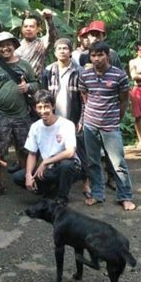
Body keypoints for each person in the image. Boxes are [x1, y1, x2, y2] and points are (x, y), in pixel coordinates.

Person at [78, 41, 136, 211]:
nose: (96, 59)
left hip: (111, 126)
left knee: (118, 163)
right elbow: (85, 95)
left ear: (107, 55)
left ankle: (125, 196)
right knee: (93, 162)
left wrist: (117, 117)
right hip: (90, 125)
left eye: (100, 55)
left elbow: (124, 99)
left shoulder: (119, 75)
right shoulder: (85, 75)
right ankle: (97, 194)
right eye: (93, 55)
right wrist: (89, 116)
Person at [0, 31, 39, 193]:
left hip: (22, 114)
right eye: (1, 46)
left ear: (14, 46)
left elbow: (36, 84)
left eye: (8, 45)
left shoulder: (25, 65)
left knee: (26, 148)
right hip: (0, 114)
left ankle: (26, 179)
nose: (5, 48)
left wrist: (28, 87)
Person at [41, 38, 90, 198]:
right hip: (55, 119)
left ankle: (86, 182)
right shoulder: (48, 70)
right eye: (59, 48)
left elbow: (85, 99)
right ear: (54, 52)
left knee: (82, 150)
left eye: (65, 48)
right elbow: (44, 96)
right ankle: (56, 182)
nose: (62, 51)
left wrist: (81, 120)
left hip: (73, 118)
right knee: (55, 149)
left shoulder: (80, 71)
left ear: (70, 51)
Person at [11, 90, 80, 204]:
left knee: (66, 166)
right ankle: (48, 192)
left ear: (53, 106)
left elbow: (70, 152)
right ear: (35, 108)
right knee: (19, 177)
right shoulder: (35, 127)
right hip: (49, 168)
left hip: (69, 166)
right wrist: (29, 175)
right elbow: (32, 153)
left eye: (46, 107)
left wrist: (45, 162)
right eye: (40, 107)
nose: (43, 111)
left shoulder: (66, 124)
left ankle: (61, 200)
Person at [15, 9, 57, 77]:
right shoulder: (16, 44)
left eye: (31, 26)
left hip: (36, 83)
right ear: (22, 29)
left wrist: (48, 19)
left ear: (38, 29)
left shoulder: (42, 43)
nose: (28, 29)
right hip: (17, 83)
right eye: (25, 26)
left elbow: (52, 35)